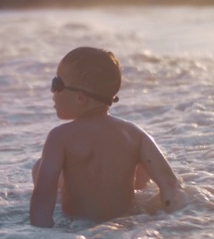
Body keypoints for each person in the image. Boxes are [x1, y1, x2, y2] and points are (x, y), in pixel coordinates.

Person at [29, 47, 184, 228]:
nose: (52, 92)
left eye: (56, 84)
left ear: (80, 98)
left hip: (79, 226)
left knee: (39, 167)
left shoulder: (60, 137)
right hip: (126, 223)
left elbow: (43, 196)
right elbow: (170, 185)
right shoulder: (134, 134)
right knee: (139, 168)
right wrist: (172, 223)